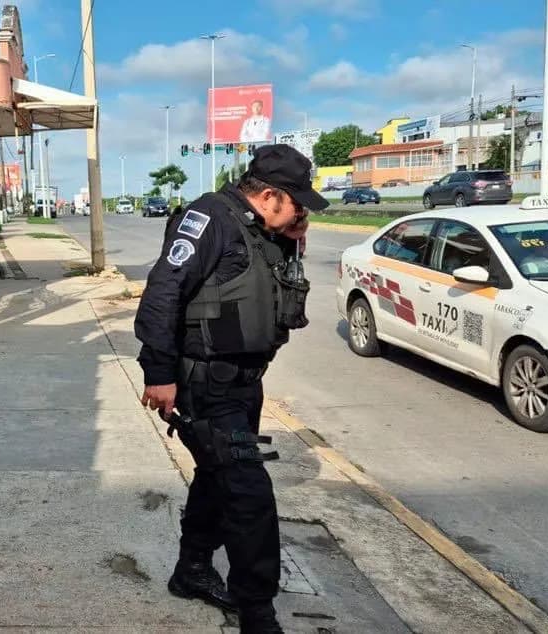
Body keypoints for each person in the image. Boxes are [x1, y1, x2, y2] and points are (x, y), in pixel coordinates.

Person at [134, 145, 326, 633]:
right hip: (204, 385)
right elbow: (162, 293)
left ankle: (192, 569)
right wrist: (159, 373)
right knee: (248, 495)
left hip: (244, 386)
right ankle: (257, 612)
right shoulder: (207, 219)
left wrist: (292, 233)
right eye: (295, 202)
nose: (301, 210)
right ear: (267, 194)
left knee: (216, 479)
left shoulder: (264, 227)